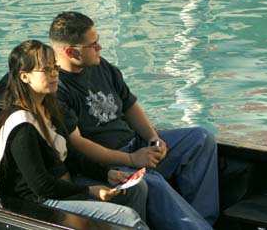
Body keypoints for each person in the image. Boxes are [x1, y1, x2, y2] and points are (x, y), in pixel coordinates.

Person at [48, 12, 219, 230]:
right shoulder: (57, 88)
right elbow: (78, 145)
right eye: (93, 45)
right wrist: (131, 159)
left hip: (135, 146)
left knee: (200, 139)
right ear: (71, 51)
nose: (100, 48)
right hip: (107, 162)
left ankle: (204, 222)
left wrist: (153, 138)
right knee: (152, 182)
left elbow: (129, 105)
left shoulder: (100, 66)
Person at [0, 40, 149, 229]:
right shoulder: (22, 127)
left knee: (137, 189)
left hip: (64, 185)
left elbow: (71, 155)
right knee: (128, 218)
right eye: (46, 70)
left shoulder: (49, 108)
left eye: (55, 69)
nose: (54, 75)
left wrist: (106, 173)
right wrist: (90, 191)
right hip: (40, 202)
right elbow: (41, 186)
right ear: (25, 76)